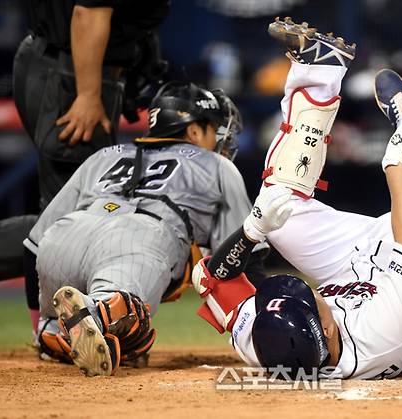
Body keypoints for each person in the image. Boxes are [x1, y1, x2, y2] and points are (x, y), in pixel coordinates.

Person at [191, 18, 402, 379]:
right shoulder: (386, 329)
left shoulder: (266, 342)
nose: (313, 292)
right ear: (326, 331)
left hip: (354, 265)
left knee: (279, 211)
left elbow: (211, 279)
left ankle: (319, 70)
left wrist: (252, 231)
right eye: (312, 300)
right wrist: (395, 160)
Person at [25, 82, 268, 377]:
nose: (220, 139)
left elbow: (34, 246)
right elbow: (245, 256)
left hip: (64, 237)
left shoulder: (104, 156)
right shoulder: (216, 164)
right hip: (140, 237)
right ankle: (99, 314)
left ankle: (53, 330)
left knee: (119, 339)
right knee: (126, 315)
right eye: (213, 129)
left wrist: (39, 317)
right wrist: (264, 326)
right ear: (193, 131)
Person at [0, 0, 170, 315]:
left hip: (68, 69)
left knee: (71, 219)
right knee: (72, 226)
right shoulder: (82, 82)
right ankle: (64, 327)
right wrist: (89, 94)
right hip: (72, 80)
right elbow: (88, 12)